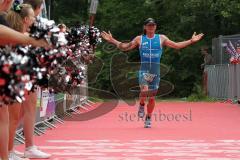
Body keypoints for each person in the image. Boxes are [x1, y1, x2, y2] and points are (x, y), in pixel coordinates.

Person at [101, 18, 204, 128]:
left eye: (153, 25)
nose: (151, 27)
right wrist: (112, 40)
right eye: (149, 25)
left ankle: (148, 118)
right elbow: (125, 47)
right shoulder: (139, 39)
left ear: (155, 27)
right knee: (145, 91)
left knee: (151, 98)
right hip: (144, 70)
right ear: (145, 27)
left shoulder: (161, 38)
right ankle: (141, 104)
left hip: (155, 72)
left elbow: (176, 45)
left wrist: (191, 41)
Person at [0, 1, 48, 160]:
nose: (35, 19)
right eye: (33, 16)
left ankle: (9, 152)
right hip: (12, 75)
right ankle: (9, 152)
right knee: (9, 117)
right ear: (26, 19)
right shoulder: (8, 26)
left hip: (14, 75)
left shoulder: (9, 24)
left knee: (10, 116)